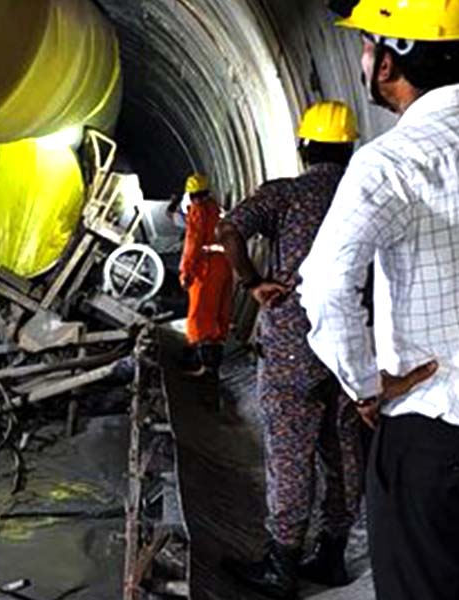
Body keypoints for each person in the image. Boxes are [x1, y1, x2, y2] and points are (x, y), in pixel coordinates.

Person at [299, 3, 459, 599]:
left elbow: (325, 285)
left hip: (432, 427)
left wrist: (366, 383)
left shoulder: (390, 162)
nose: (363, 59)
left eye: (365, 47)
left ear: (388, 62)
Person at [216, 101, 363, 599]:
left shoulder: (286, 194)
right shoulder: (364, 190)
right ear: (349, 147)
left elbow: (228, 228)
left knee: (290, 450)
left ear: (303, 147)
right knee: (342, 447)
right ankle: (333, 553)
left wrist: (252, 281)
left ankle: (282, 563)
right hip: (352, 342)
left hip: (292, 344)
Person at [178, 173, 232, 377]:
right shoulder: (215, 208)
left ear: (191, 195)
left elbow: (192, 243)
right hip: (224, 263)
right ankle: (214, 363)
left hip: (206, 266)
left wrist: (186, 272)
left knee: (200, 315)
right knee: (219, 313)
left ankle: (205, 366)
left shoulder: (198, 212)